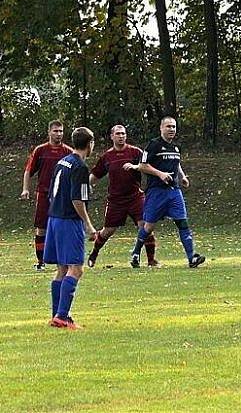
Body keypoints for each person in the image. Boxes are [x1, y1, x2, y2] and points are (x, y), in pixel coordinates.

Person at [129, 116, 205, 268]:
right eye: (168, 126)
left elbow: (177, 164)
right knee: (148, 226)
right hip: (156, 192)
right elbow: (143, 166)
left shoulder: (175, 148)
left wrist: (183, 177)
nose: (171, 129)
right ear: (161, 128)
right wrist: (160, 174)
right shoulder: (154, 145)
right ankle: (136, 252)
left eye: (174, 127)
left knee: (182, 222)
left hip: (174, 191)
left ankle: (192, 258)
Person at [44, 127, 96, 329]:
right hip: (68, 221)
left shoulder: (62, 161)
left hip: (54, 218)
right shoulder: (80, 167)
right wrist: (89, 226)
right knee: (76, 269)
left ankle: (57, 315)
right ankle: (63, 316)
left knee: (62, 269)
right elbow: (78, 200)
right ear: (89, 143)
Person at [87, 125, 158, 268]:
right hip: (115, 200)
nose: (121, 136)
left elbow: (147, 167)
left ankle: (151, 260)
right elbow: (95, 175)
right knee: (108, 231)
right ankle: (93, 255)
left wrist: (140, 169)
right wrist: (84, 186)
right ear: (112, 136)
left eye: (123, 134)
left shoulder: (135, 152)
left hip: (135, 197)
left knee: (145, 226)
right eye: (118, 134)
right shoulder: (107, 156)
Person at [21, 120, 73, 270]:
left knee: (63, 226)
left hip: (62, 196)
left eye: (61, 131)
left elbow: (75, 172)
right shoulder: (40, 150)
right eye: (56, 131)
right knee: (41, 228)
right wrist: (26, 189)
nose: (58, 134)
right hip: (44, 194)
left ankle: (63, 260)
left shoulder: (68, 152)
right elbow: (28, 171)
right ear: (49, 132)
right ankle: (40, 261)